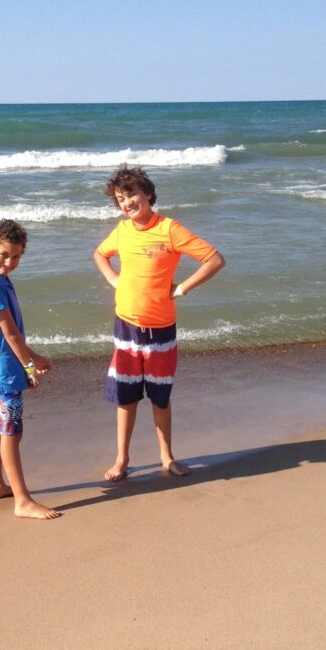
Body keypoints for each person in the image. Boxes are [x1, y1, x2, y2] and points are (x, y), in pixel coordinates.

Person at [93, 165, 225, 481]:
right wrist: (113, 278)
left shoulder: (169, 229)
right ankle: (122, 459)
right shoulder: (122, 231)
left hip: (161, 331)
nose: (127, 203)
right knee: (126, 398)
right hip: (125, 329)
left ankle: (167, 457)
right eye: (120, 199)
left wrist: (181, 288)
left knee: (160, 398)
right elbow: (100, 254)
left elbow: (214, 259)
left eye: (132, 195)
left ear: (148, 194)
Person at [0, 219, 61, 519]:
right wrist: (28, 366)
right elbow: (9, 333)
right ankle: (22, 501)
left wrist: (33, 356)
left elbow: (8, 335)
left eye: (17, 257)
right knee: (11, 433)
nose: (10, 262)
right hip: (2, 374)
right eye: (4, 255)